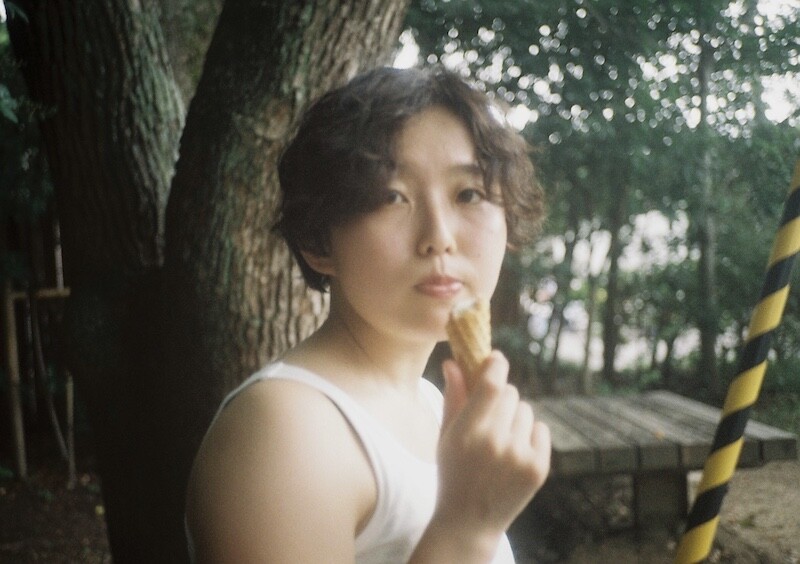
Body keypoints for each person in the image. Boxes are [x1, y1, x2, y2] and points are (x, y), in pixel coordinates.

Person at [185, 66, 551, 563]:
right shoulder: (286, 431)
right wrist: (468, 525)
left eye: (469, 194)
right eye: (391, 197)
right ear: (319, 241)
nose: (439, 237)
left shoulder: (430, 403)